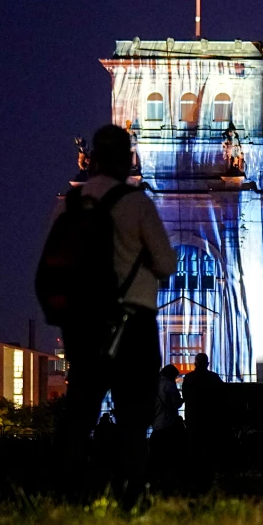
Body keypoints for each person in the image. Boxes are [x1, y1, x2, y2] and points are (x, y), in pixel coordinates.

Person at [49, 124, 177, 500]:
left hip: (82, 325)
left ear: (91, 161)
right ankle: (132, 493)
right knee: (133, 416)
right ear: (126, 161)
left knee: (80, 411)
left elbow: (53, 264)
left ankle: (67, 491)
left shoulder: (68, 204)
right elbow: (167, 263)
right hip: (132, 323)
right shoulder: (137, 203)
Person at [181, 353, 226, 474]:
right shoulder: (214, 378)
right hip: (210, 417)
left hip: (193, 417)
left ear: (195, 363)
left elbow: (185, 396)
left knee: (194, 445)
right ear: (207, 364)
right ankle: (210, 472)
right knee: (210, 446)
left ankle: (193, 472)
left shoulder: (188, 378)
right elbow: (223, 395)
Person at [151, 364, 184, 482]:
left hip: (156, 423)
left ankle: (157, 477)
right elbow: (176, 403)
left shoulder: (153, 384)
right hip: (168, 422)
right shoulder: (169, 385)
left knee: (157, 455)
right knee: (170, 453)